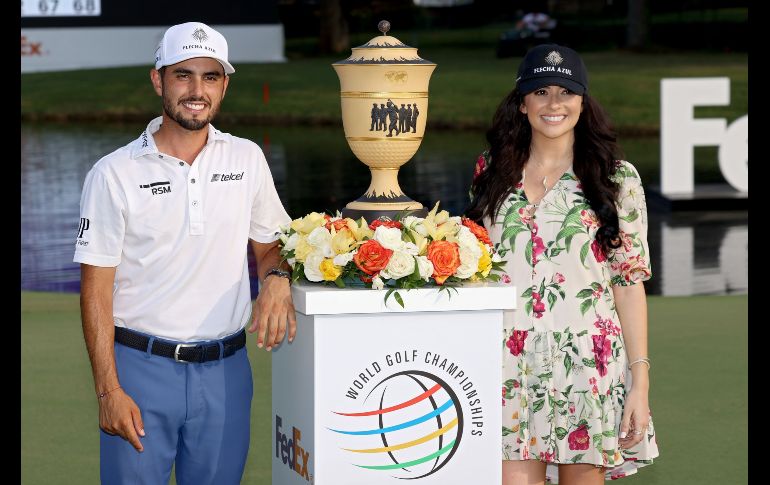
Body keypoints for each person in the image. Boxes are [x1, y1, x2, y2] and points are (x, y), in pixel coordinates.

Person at [74, 21, 295, 484]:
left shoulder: (246, 158)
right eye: (183, 75)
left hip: (227, 374)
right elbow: (96, 289)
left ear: (224, 86)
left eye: (210, 77)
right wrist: (107, 389)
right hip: (139, 371)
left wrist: (276, 278)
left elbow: (272, 246)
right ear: (158, 79)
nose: (197, 90)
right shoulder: (113, 173)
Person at [465, 44, 659, 484]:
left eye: (566, 92)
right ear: (522, 103)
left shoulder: (617, 178)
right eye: (541, 92)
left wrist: (639, 383)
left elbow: (628, 285)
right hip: (507, 365)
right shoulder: (489, 171)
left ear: (583, 102)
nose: (554, 104)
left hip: (588, 367)